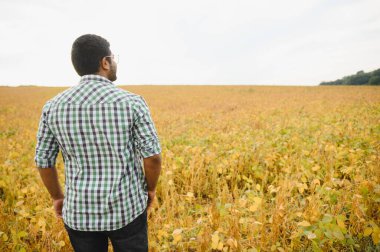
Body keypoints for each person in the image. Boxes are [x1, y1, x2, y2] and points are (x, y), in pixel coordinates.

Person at [34, 34, 162, 252]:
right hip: (127, 209)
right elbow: (152, 157)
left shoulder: (52, 107)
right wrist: (150, 189)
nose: (114, 62)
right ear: (105, 62)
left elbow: (43, 161)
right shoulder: (131, 102)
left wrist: (57, 197)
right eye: (113, 57)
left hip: (79, 214)